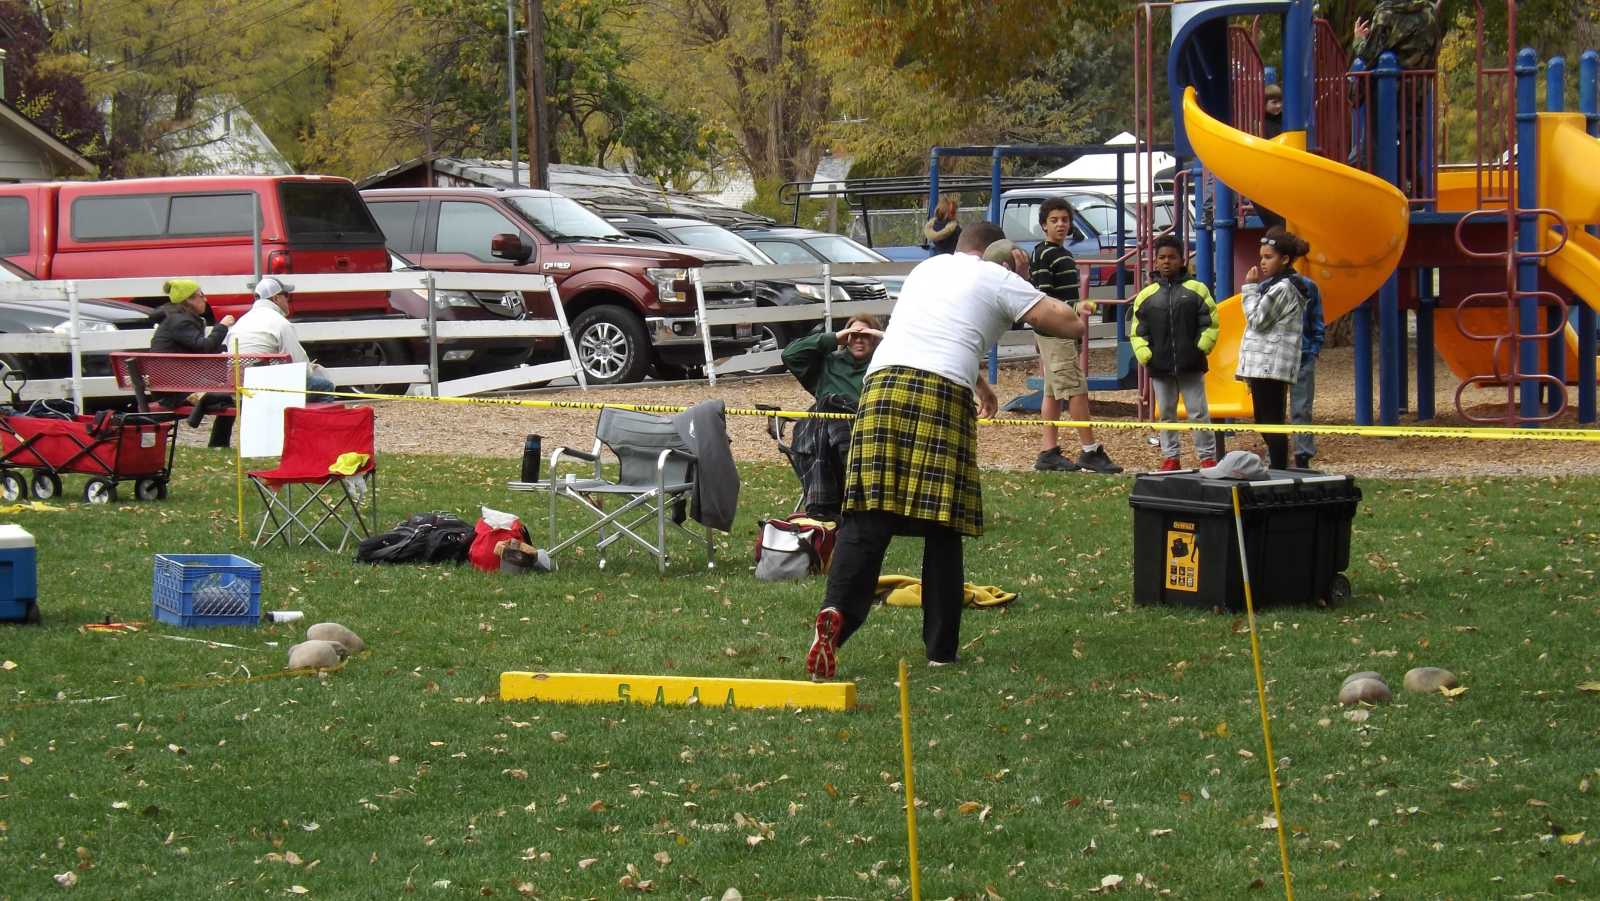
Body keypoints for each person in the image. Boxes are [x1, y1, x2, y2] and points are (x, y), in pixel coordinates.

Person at [803, 222, 1085, 680]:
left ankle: (836, 615)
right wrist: (1024, 281)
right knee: (943, 526)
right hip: (940, 393)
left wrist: (982, 386)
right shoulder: (999, 276)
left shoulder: (927, 269)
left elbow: (939, 332)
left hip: (883, 386)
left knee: (867, 518)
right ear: (999, 250)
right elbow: (1070, 324)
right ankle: (940, 650)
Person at [1029, 197, 1121, 474]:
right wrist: (1075, 307)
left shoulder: (1063, 253)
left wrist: (1075, 309)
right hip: (1055, 332)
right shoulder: (1043, 254)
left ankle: (1048, 452)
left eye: (1065, 220)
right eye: (1054, 220)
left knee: (1052, 392)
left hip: (1063, 332)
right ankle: (1089, 451)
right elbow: (1043, 298)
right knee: (1077, 390)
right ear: (1043, 225)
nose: (1060, 225)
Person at [780, 314, 885, 519]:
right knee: (828, 405)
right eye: (853, 335)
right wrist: (834, 338)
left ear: (874, 339)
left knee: (834, 410)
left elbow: (918, 356)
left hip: (862, 431)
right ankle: (839, 492)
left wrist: (883, 336)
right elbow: (790, 355)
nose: (859, 339)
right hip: (820, 432)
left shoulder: (882, 367)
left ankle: (823, 505)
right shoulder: (828, 363)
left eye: (866, 335)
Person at [1130, 235, 1219, 471]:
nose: (1166, 262)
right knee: (1166, 414)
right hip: (1160, 366)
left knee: (1198, 413)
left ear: (1182, 260)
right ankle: (1171, 457)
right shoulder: (1146, 296)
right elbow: (1138, 330)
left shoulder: (1197, 289)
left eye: (1172, 257)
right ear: (1155, 261)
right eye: (1162, 257)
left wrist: (1202, 347)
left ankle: (1207, 457)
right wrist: (1144, 353)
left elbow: (1210, 321)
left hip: (1191, 364)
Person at [1238, 226, 1312, 470]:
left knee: (1270, 421)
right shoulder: (1277, 284)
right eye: (1261, 257)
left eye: (1268, 257)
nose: (1262, 262)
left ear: (1285, 259)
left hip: (1270, 366)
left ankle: (1279, 466)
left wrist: (1249, 288)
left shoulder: (1284, 287)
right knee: (1265, 420)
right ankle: (1278, 464)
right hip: (1265, 366)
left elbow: (1257, 319)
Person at [1350, 0, 1443, 191]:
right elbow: (1435, 47)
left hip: (1389, 93)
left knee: (1376, 143)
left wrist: (1359, 39)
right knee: (1412, 146)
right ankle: (1412, 188)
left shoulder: (1386, 13)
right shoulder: (1428, 12)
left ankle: (1374, 183)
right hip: (1417, 91)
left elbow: (1369, 55)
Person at [149, 278, 237, 427]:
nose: (205, 299)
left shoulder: (176, 319)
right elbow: (204, 347)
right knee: (227, 399)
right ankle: (204, 423)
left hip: (171, 384)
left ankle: (200, 409)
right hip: (175, 390)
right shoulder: (181, 322)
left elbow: (198, 349)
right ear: (188, 300)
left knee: (223, 395)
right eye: (201, 295)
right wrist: (222, 326)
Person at [230, 277, 336, 397]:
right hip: (267, 387)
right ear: (276, 298)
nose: (287, 300)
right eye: (286, 295)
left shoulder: (240, 322)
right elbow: (301, 365)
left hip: (239, 387)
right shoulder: (280, 322)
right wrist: (313, 370)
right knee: (325, 385)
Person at [1291, 273, 1326, 469]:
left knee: (1302, 408)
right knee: (1273, 412)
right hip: (1275, 358)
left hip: (1303, 355)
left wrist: (1313, 349)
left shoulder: (1308, 286)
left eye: (1268, 258)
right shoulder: (1265, 286)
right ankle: (1276, 453)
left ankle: (1302, 455)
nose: (1263, 263)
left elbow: (1316, 319)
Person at [1254, 84, 1287, 230]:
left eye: (1280, 102)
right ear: (1264, 104)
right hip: (1268, 169)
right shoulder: (1261, 123)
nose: (1279, 106)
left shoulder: (1285, 121)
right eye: (1274, 102)